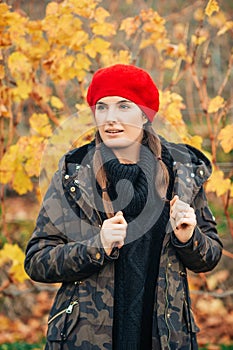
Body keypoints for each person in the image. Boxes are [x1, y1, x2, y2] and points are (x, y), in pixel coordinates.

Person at [24, 64, 222, 350]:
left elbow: (210, 256)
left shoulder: (183, 172)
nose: (110, 119)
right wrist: (96, 246)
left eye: (123, 106)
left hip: (165, 338)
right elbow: (37, 261)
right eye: (102, 107)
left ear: (144, 114)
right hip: (86, 340)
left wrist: (189, 238)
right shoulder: (74, 175)